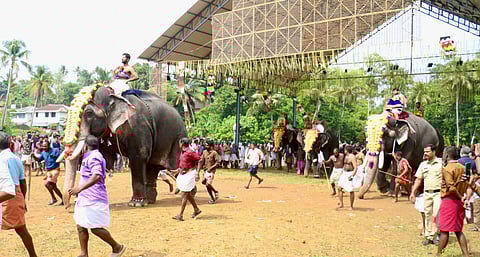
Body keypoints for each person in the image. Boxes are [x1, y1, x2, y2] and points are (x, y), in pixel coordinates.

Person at [67, 135, 126, 257]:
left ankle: (117, 247)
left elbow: (97, 175)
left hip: (93, 198)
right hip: (85, 198)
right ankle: (84, 253)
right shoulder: (88, 156)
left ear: (86, 145)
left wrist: (79, 188)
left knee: (95, 228)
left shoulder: (95, 157)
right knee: (80, 225)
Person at [0, 132, 38, 257]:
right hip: (17, 194)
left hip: (5, 194)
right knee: (21, 228)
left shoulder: (2, 159)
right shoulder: (15, 158)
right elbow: (23, 182)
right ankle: (33, 255)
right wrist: (23, 199)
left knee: (21, 229)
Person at [437, 146, 469, 257]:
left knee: (444, 230)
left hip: (449, 200)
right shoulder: (463, 167)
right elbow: (467, 182)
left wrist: (459, 196)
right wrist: (462, 197)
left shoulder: (447, 168)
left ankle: (438, 254)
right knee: (458, 230)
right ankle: (466, 254)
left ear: (446, 155)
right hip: (460, 202)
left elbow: (451, 188)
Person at [410, 144, 442, 246]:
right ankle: (428, 236)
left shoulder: (441, 163)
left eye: (427, 151)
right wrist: (413, 192)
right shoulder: (423, 165)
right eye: (424, 152)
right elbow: (418, 179)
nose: (425, 153)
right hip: (427, 193)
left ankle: (437, 234)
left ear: (433, 152)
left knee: (436, 214)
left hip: (438, 193)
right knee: (427, 214)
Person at [172, 138, 202, 221]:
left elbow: (200, 159)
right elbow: (184, 164)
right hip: (183, 174)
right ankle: (196, 209)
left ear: (182, 144)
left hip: (189, 173)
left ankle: (180, 215)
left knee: (184, 194)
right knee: (186, 193)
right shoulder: (183, 152)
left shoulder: (190, 152)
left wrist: (197, 172)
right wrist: (177, 170)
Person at [38, 141, 63, 206]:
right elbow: (38, 160)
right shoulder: (43, 152)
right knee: (54, 186)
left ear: (49, 146)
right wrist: (33, 156)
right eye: (43, 146)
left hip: (55, 170)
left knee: (47, 183)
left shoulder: (55, 150)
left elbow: (60, 156)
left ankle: (54, 198)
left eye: (45, 146)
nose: (44, 147)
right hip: (48, 171)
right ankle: (63, 199)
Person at [337, 145, 359, 210]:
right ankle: (341, 204)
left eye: (345, 150)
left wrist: (352, 175)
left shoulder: (352, 157)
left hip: (350, 173)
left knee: (350, 190)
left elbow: (355, 167)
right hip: (344, 173)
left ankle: (351, 206)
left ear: (347, 150)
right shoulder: (345, 156)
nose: (344, 151)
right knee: (339, 187)